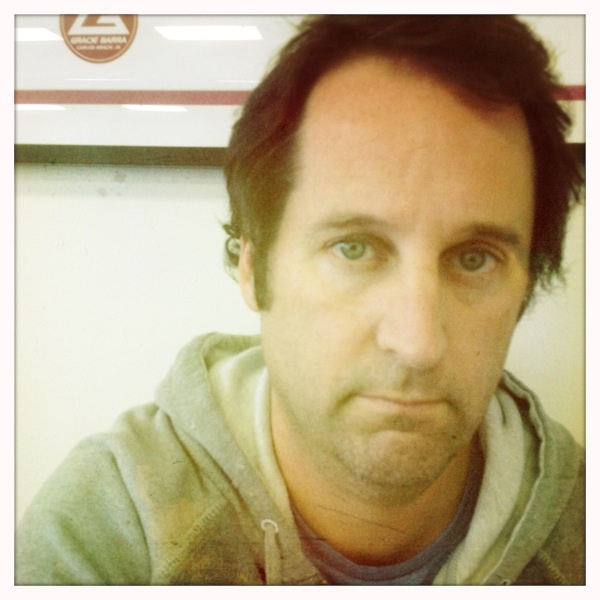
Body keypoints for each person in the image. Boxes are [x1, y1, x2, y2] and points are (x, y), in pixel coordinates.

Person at [16, 15, 584, 585]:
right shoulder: (104, 534)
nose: (417, 343)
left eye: (475, 259)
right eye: (354, 248)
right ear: (252, 266)